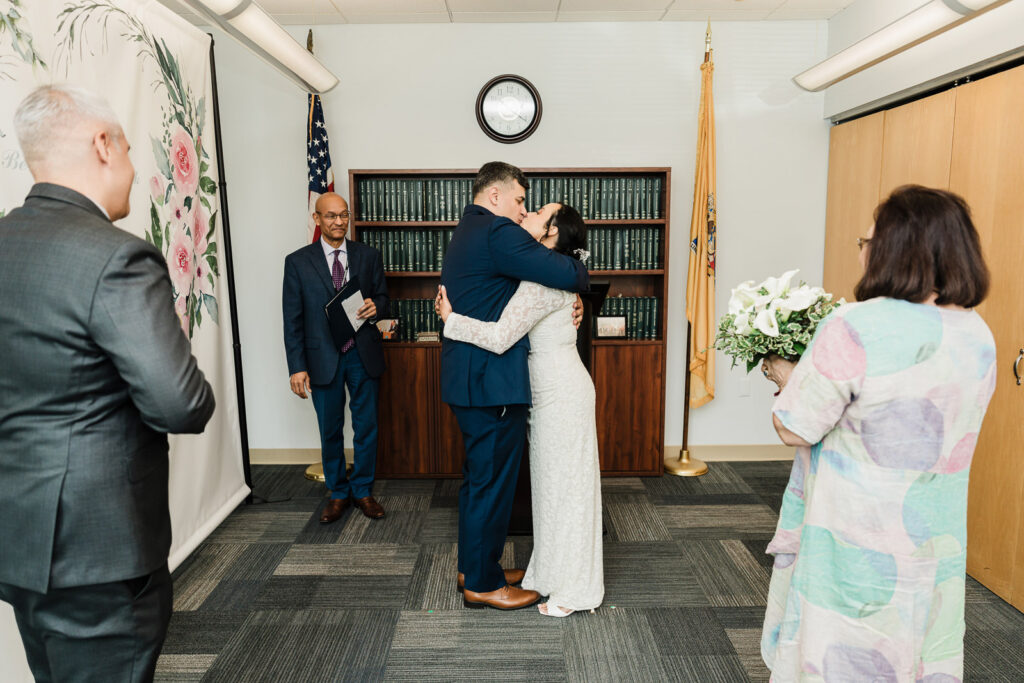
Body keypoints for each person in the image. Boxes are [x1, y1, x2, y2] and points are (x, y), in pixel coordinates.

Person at [0, 84, 216, 681]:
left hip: (20, 537)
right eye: (126, 149)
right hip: (99, 548)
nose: (132, 166)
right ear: (102, 145)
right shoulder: (117, 258)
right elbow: (181, 403)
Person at [759, 185, 995, 682]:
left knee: (847, 654)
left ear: (895, 248)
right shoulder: (977, 333)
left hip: (857, 538)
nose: (864, 253)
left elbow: (794, 427)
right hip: (933, 536)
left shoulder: (857, 323)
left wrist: (785, 377)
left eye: (868, 243)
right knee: (919, 649)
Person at [438, 203, 603, 618]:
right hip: (553, 390)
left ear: (549, 236)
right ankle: (540, 571)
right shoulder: (539, 274)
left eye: (535, 214)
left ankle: (570, 582)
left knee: (565, 489)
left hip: (559, 394)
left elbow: (498, 337)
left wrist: (450, 319)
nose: (523, 215)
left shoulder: (540, 281)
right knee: (552, 487)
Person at [283, 192, 389, 522]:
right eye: (331, 216)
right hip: (323, 359)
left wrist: (377, 308)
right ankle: (338, 492)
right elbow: (292, 319)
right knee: (330, 428)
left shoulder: (368, 255)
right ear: (317, 219)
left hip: (362, 353)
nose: (339, 222)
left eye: (344, 215)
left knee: (366, 426)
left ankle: (362, 490)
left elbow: (384, 299)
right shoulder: (298, 262)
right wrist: (297, 366)